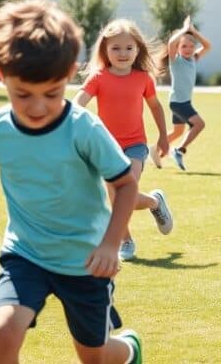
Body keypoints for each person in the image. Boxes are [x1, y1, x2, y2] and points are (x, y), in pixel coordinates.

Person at [0, 0, 144, 364]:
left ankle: (130, 349)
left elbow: (126, 185)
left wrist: (109, 245)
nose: (37, 108)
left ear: (71, 73)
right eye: (23, 94)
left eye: (52, 94)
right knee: (4, 331)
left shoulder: (83, 129)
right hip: (26, 253)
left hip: (86, 261)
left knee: (95, 355)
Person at [74, 19, 173, 262]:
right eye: (115, 48)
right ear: (105, 50)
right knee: (116, 198)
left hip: (135, 145)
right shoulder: (98, 77)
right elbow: (78, 102)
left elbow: (155, 107)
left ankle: (146, 211)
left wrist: (162, 135)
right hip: (106, 146)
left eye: (128, 48)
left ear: (137, 49)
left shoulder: (143, 78)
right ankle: (145, 214)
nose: (122, 53)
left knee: (124, 194)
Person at [165, 16, 212, 171]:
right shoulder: (175, 60)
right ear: (178, 48)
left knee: (177, 131)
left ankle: (155, 150)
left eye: (191, 46)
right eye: (184, 46)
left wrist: (193, 31)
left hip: (184, 102)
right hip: (179, 103)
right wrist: (184, 30)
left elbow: (207, 46)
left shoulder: (193, 59)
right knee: (199, 124)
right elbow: (171, 43)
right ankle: (179, 151)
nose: (188, 49)